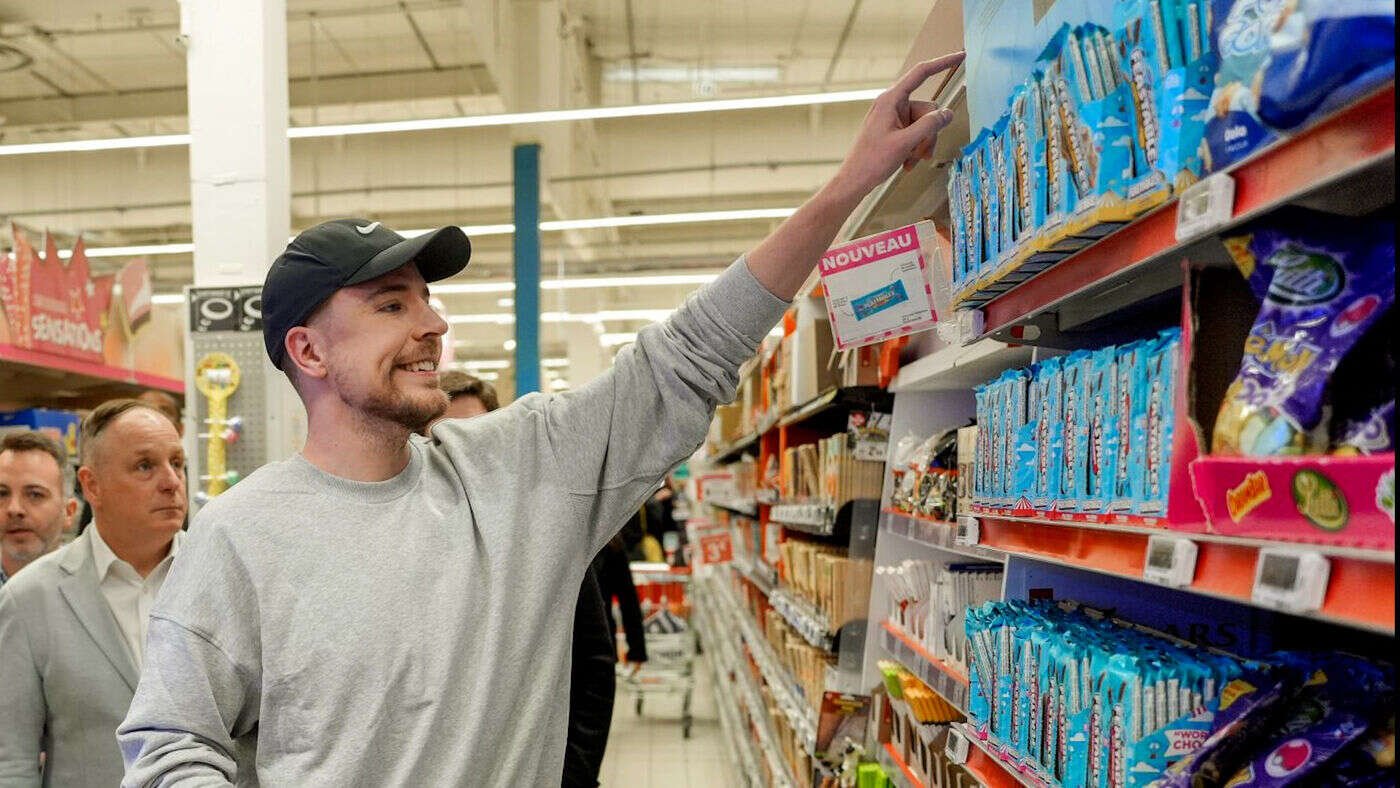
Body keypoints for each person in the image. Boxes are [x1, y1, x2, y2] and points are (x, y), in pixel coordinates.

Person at [117, 53, 964, 786]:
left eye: (429, 300)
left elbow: (685, 356)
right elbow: (170, 745)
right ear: (307, 351)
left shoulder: (521, 470)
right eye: (389, 304)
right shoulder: (238, 538)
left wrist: (847, 187)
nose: (433, 325)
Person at [433, 370, 626, 788]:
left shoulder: (545, 536)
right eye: (442, 440)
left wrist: (574, 774)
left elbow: (593, 665)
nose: (459, 453)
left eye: (475, 434)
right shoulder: (411, 544)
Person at [0, 400, 188, 786]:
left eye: (177, 463)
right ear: (92, 486)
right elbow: (12, 762)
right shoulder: (30, 598)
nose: (171, 481)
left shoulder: (224, 577)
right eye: (145, 466)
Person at [0, 431, 77, 587]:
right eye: (2, 494)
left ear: (68, 512)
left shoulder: (96, 585)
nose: (14, 509)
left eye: (35, 495)